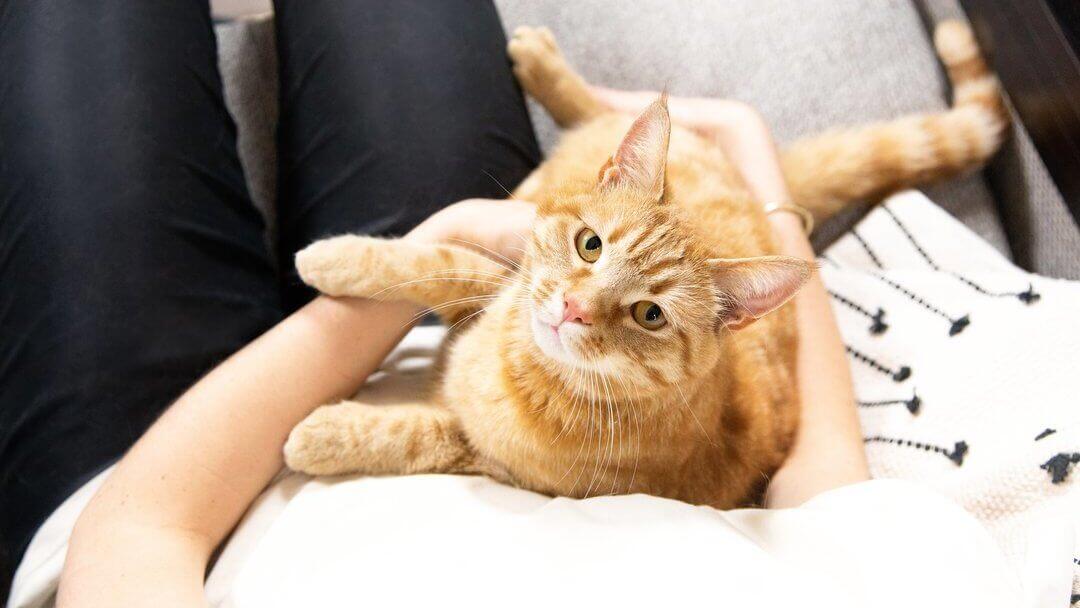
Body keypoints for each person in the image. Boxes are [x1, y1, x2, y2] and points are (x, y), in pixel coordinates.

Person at [0, 1, 867, 604]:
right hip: (473, 310)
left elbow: (141, 528)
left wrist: (413, 260)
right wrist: (753, 148)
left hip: (155, 468)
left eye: (639, 314)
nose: (587, 307)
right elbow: (826, 466)